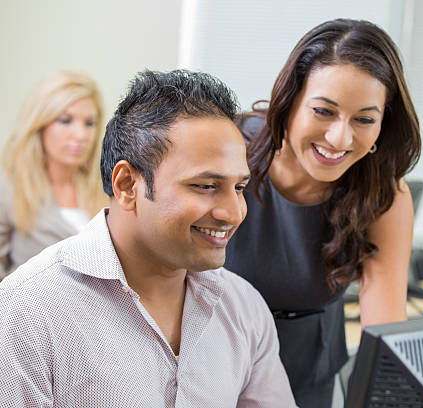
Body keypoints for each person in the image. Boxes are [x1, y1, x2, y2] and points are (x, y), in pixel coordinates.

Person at [0, 70, 296, 407]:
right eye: (205, 186)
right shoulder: (26, 312)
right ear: (127, 185)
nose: (234, 212)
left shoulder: (243, 307)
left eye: (239, 187)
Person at [225, 18, 421, 407]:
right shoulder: (230, 149)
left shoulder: (384, 194)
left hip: (308, 374)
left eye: (364, 119)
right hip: (214, 358)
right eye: (324, 111)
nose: (340, 138)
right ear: (291, 100)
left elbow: (384, 331)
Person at [0, 70, 108, 279]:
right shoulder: (10, 187)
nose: (81, 135)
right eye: (65, 121)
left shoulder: (107, 189)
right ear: (40, 125)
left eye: (89, 123)